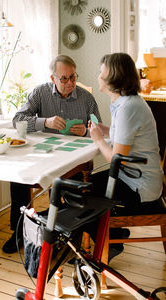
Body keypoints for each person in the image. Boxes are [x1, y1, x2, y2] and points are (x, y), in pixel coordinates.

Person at [2, 54, 102, 253]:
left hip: (73, 158)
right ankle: (19, 231)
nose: (70, 83)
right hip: (43, 155)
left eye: (73, 77)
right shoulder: (40, 93)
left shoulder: (87, 98)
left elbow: (99, 127)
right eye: (64, 78)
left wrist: (86, 130)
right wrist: (44, 122)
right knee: (19, 179)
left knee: (73, 188)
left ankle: (69, 234)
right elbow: (18, 120)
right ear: (53, 79)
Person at [85, 52, 163, 262]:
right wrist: (105, 130)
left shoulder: (128, 107)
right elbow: (126, 137)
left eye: (101, 72)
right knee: (83, 185)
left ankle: (112, 242)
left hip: (140, 187)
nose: (98, 76)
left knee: (83, 193)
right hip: (136, 177)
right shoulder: (127, 103)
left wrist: (99, 139)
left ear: (113, 78)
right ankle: (113, 237)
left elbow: (116, 160)